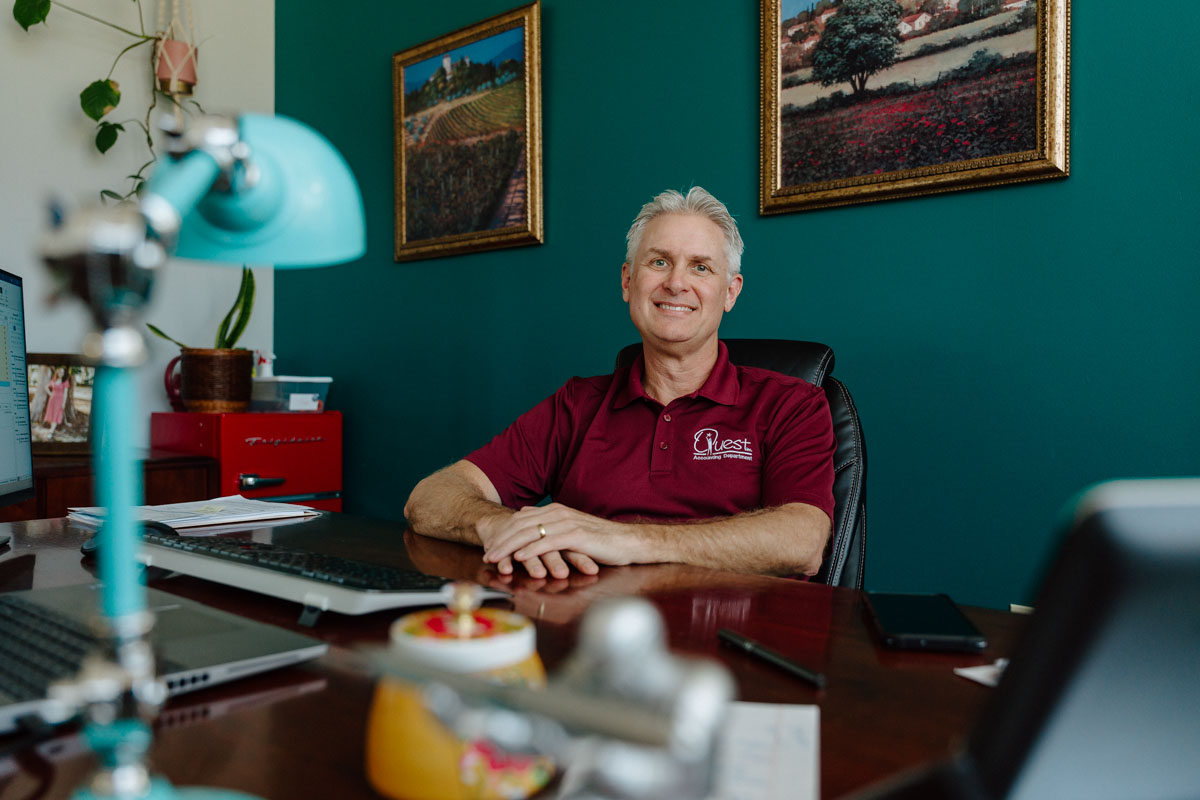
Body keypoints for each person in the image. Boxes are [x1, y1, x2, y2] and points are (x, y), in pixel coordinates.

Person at [404, 187, 836, 580]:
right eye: (659, 261)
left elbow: (804, 543)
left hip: (727, 648)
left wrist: (625, 540)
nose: (676, 283)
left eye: (700, 267)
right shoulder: (577, 404)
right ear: (628, 281)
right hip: (587, 639)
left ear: (730, 292)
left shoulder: (792, 404)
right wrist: (507, 525)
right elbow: (429, 499)